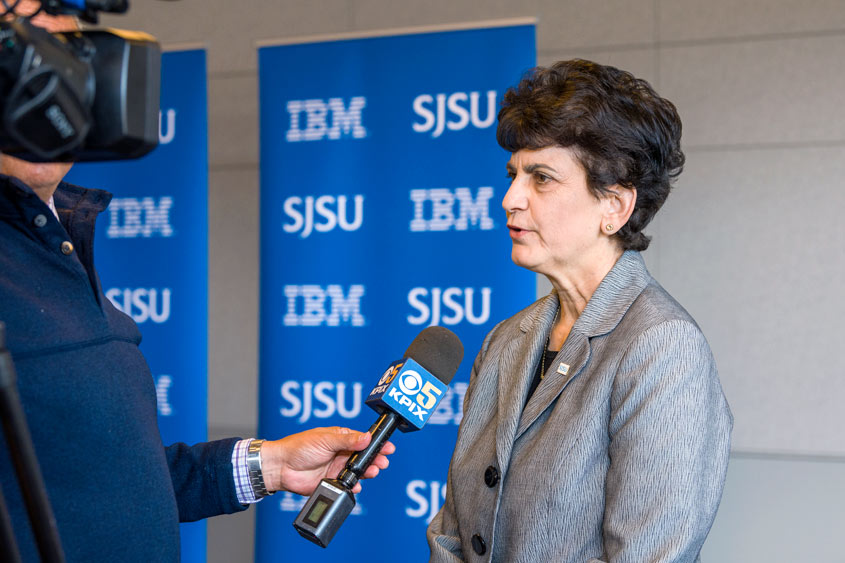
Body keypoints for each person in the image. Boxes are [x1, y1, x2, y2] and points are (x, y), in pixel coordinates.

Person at [0, 3, 393, 561]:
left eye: (64, 63)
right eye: (22, 59)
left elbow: (122, 480)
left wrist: (272, 464)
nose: (48, 89)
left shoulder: (63, 244)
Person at [427, 59, 732, 562]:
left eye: (541, 178)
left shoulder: (661, 345)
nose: (510, 198)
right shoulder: (506, 340)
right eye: (513, 175)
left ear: (614, 206)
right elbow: (455, 529)